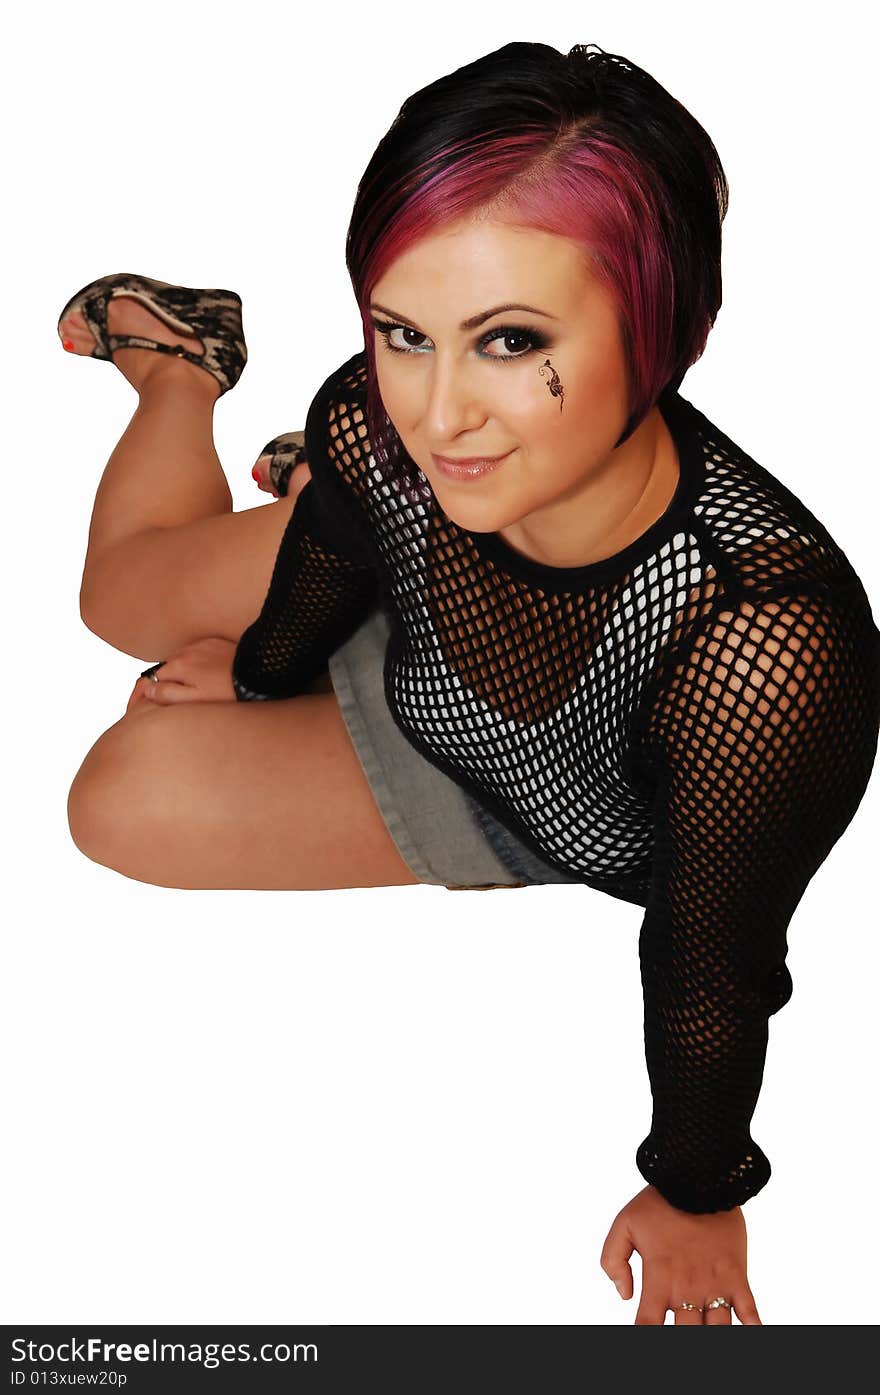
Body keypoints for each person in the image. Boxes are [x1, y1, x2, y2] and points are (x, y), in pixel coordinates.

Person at [61, 41, 880, 1325]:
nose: (438, 410)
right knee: (120, 604)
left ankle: (267, 453)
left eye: (508, 340)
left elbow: (711, 953)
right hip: (423, 580)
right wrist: (270, 674)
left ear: (665, 335)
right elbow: (336, 557)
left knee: (116, 799)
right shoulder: (388, 430)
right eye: (402, 332)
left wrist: (696, 1188)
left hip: (545, 777)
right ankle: (188, 362)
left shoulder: (759, 643)